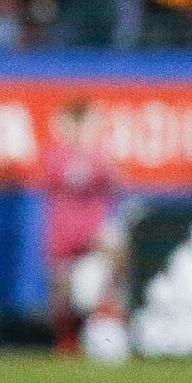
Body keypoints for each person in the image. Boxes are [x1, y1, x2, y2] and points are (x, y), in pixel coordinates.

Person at [39, 98, 125, 357]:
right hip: (64, 236)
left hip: (93, 235)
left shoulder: (101, 157)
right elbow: (58, 177)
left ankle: (106, 333)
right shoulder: (54, 156)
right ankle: (67, 344)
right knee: (63, 293)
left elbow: (114, 182)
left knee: (105, 279)